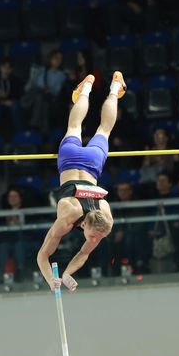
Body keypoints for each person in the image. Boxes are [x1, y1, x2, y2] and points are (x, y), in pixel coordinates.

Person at [36, 72, 126, 292]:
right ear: (85, 225)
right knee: (80, 127)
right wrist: (55, 278)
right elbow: (43, 255)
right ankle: (98, 89)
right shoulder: (69, 219)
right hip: (69, 162)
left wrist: (59, 277)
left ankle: (107, 88)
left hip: (91, 163)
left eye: (97, 237)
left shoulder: (103, 219)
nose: (95, 240)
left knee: (99, 129)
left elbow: (78, 253)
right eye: (96, 236)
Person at [0, 58, 25, 135]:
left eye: (9, 68)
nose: (6, 70)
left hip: (11, 103)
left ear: (11, 70)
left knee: (16, 106)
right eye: (4, 67)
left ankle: (20, 136)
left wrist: (9, 98)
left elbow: (19, 94)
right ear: (0, 68)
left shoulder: (16, 81)